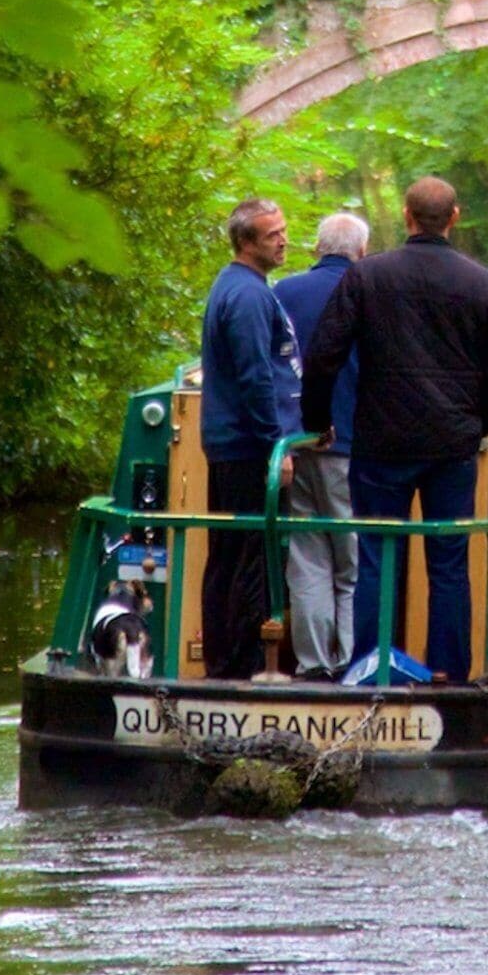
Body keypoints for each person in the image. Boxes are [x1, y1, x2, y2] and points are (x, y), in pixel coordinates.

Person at [301, 176, 488, 685]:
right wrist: (479, 423)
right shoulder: (482, 284)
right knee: (448, 561)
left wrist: (318, 422)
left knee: (376, 556)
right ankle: (446, 672)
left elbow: (323, 355)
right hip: (451, 447)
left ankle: (370, 668)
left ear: (406, 216)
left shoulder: (367, 277)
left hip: (381, 444)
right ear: (455, 217)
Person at [193, 197, 298, 681]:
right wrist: (276, 446)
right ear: (245, 242)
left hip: (229, 442)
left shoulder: (233, 286)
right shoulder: (251, 297)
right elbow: (256, 376)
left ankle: (221, 661)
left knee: (228, 555)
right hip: (248, 446)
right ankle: (245, 666)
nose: (283, 238)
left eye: (283, 229)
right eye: (271, 233)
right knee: (253, 557)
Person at [271, 211, 372, 680]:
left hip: (296, 443)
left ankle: (313, 665)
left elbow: (273, 368)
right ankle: (350, 664)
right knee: (350, 563)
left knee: (307, 557)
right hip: (350, 444)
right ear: (362, 252)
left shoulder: (283, 293)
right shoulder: (372, 290)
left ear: (317, 248)